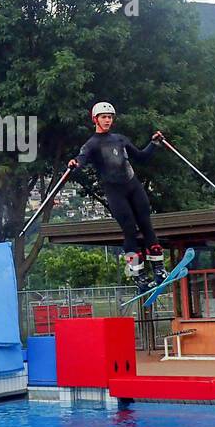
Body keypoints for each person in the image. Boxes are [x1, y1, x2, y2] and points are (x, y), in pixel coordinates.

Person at [67, 102, 165, 292]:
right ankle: (139, 275)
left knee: (147, 227)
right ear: (95, 119)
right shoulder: (92, 144)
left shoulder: (120, 139)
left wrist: (154, 144)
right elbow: (81, 160)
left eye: (110, 117)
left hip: (134, 186)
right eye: (104, 117)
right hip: (115, 192)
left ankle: (159, 270)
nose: (107, 120)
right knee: (130, 231)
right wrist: (74, 164)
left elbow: (142, 157)